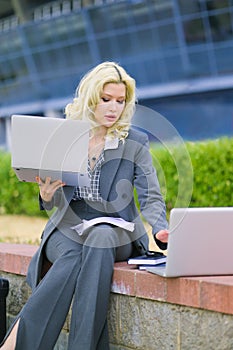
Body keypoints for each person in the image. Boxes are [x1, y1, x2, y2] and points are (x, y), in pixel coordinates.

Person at [1, 61, 169, 350]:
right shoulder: (65, 136)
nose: (113, 108)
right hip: (68, 229)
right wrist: (45, 193)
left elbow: (151, 195)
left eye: (120, 101)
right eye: (106, 100)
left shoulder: (135, 141)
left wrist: (160, 229)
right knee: (75, 255)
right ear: (91, 98)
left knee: (100, 237)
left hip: (118, 231)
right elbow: (54, 201)